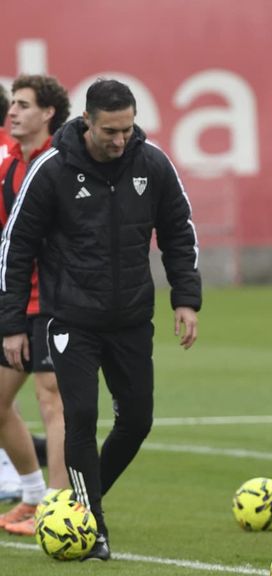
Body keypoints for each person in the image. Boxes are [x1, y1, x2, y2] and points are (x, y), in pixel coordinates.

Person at [0, 78, 201, 561]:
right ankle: (93, 529)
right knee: (81, 419)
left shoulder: (151, 163)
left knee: (136, 421)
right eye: (110, 130)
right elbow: (16, 245)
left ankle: (78, 502)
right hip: (69, 319)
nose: (120, 140)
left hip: (132, 319)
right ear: (87, 121)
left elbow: (179, 230)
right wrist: (10, 323)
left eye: (128, 129)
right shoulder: (52, 169)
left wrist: (186, 298)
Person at [0, 74, 71, 537]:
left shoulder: (60, 165)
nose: (13, 111)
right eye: (13, 105)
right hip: (18, 302)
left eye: (23, 105)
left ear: (48, 113)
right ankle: (31, 492)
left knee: (53, 400)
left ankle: (58, 509)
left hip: (54, 300)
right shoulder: (11, 167)